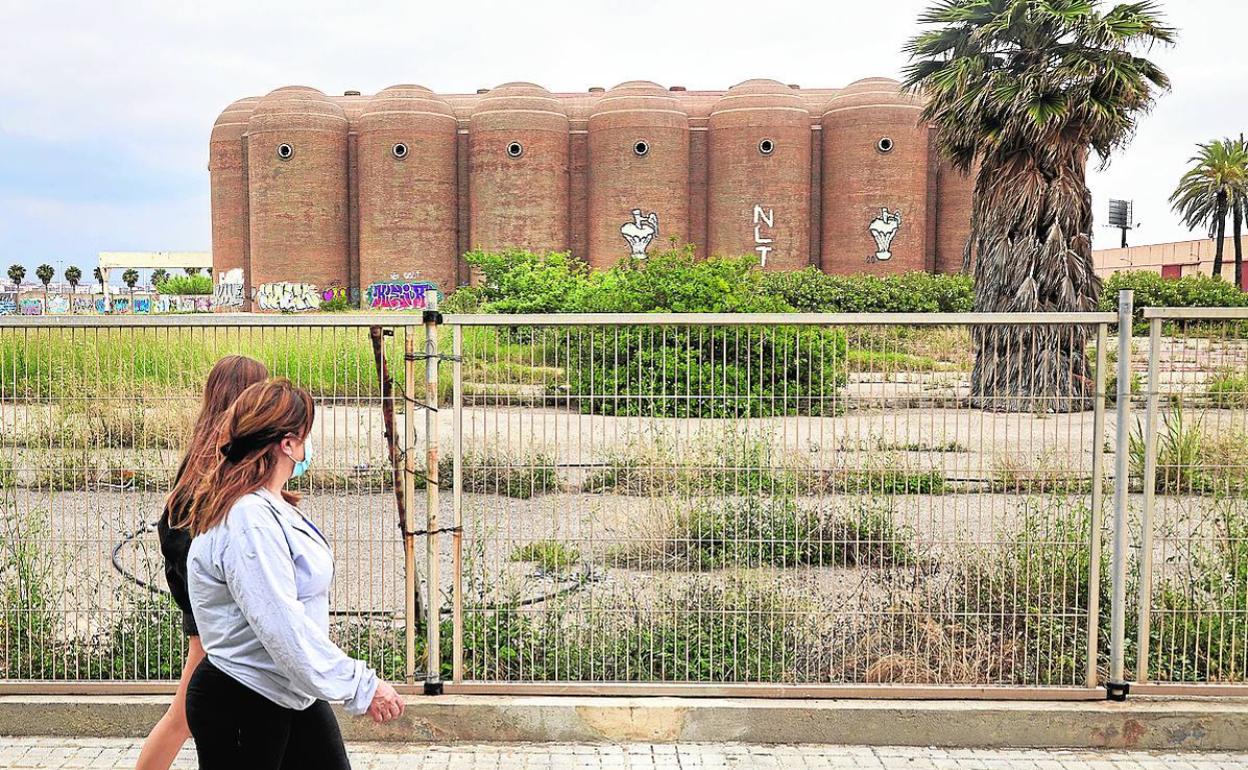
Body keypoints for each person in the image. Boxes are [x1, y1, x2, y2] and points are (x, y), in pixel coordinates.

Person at [183, 378, 404, 770]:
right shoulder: (250, 519)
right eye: (305, 436)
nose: (307, 447)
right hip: (244, 697)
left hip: (287, 690)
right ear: (288, 443)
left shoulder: (268, 505)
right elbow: (281, 625)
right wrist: (361, 685)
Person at [137, 355, 269, 770]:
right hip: (216, 618)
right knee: (182, 718)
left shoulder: (202, 458)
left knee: (193, 718)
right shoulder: (218, 469)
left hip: (206, 613)